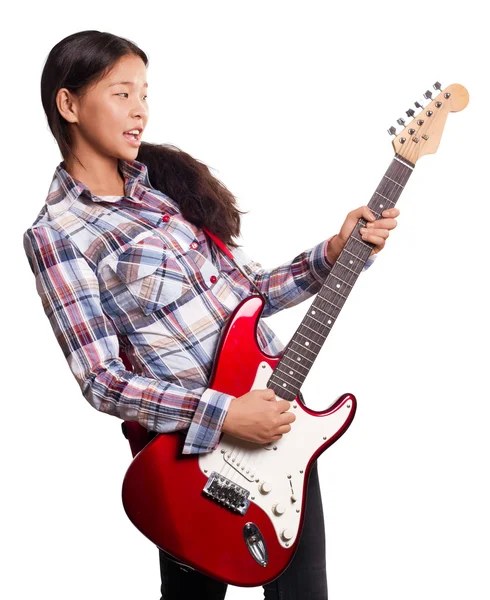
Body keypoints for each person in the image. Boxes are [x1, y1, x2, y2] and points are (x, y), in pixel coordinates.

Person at [23, 30, 400, 600]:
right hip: (191, 465)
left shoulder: (164, 191)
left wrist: (335, 250)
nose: (141, 110)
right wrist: (225, 414)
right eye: (122, 93)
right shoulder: (58, 234)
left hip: (277, 434)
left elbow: (249, 292)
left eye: (145, 94)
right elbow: (101, 381)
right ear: (69, 104)